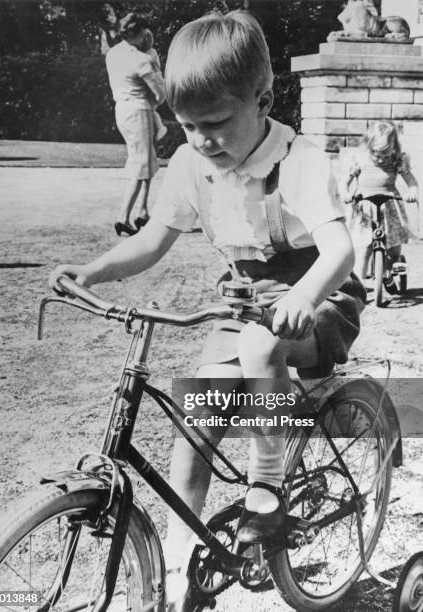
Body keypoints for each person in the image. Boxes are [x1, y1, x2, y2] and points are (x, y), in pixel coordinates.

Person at [51, 11, 365, 610]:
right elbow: (152, 240)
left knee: (258, 348)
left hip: (319, 297)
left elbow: (341, 251)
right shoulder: (194, 165)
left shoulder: (297, 159)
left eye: (216, 123)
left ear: (263, 99)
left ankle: (267, 488)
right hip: (245, 303)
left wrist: (303, 295)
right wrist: (94, 270)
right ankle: (176, 574)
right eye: (186, 126)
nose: (200, 140)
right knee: (193, 432)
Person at [105, 13, 165, 237]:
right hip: (139, 110)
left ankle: (142, 211)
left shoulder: (113, 53)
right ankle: (123, 217)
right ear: (140, 34)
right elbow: (161, 95)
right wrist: (153, 57)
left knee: (146, 159)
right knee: (140, 164)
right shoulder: (143, 59)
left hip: (122, 110)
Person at [341, 120, 419, 283]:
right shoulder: (359, 160)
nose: (381, 159)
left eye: (386, 155)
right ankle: (360, 285)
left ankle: (395, 265)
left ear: (393, 148)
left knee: (393, 246)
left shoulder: (397, 160)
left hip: (389, 205)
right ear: (368, 146)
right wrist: (345, 193)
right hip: (364, 207)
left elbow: (411, 182)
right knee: (363, 249)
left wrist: (413, 191)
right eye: (376, 154)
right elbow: (344, 182)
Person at [142, 29, 168, 142]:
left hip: (154, 82)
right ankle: (158, 128)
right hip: (158, 79)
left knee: (150, 110)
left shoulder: (147, 54)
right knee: (151, 110)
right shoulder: (152, 52)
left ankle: (159, 127)